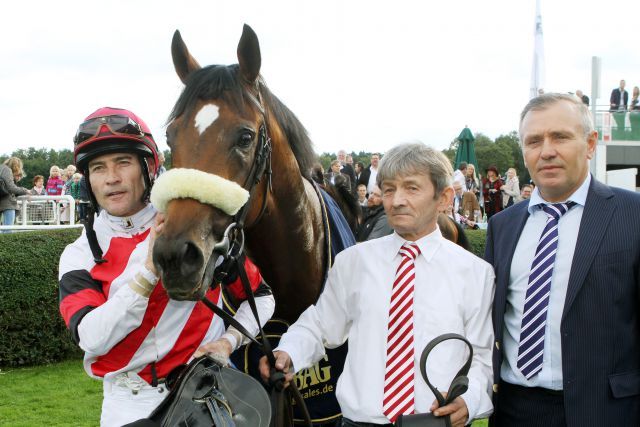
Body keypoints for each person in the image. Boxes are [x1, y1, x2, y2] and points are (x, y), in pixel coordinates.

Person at [58, 106, 275, 427]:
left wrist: (229, 341)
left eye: (123, 163)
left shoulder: (196, 227)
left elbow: (262, 296)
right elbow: (91, 338)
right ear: (88, 180)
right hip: (126, 407)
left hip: (205, 399)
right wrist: (148, 272)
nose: (111, 178)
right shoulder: (78, 255)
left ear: (148, 166)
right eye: (98, 168)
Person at [260, 142, 494, 426]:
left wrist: (468, 402)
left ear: (444, 198)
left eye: (411, 188)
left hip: (434, 422)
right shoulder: (353, 262)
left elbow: (482, 357)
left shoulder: (476, 273)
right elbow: (319, 326)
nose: (396, 201)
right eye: (389, 189)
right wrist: (289, 352)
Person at [485, 93, 640, 426]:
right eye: (534, 140)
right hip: (514, 410)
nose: (547, 151)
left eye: (561, 137)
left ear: (590, 143)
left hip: (606, 411)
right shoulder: (503, 226)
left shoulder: (633, 215)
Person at [0, 157, 29, 227]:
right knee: (8, 229)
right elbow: (11, 188)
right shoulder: (7, 170)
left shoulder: (1, 168)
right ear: (16, 165)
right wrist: (25, 190)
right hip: (7, 203)